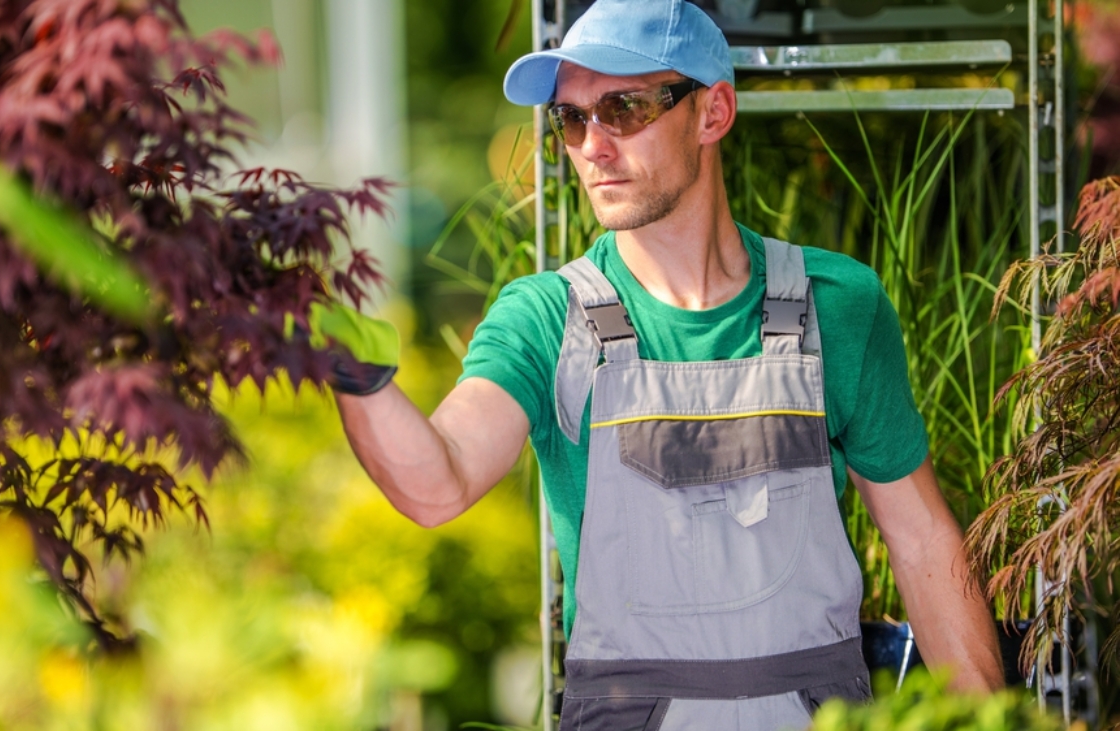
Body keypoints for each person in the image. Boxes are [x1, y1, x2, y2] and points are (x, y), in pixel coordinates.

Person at [330, 0, 1004, 728]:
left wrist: (997, 720)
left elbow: (922, 540)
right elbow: (438, 482)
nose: (592, 144)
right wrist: (346, 357)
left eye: (622, 108)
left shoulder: (836, 305)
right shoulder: (547, 319)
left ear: (712, 113)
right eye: (573, 119)